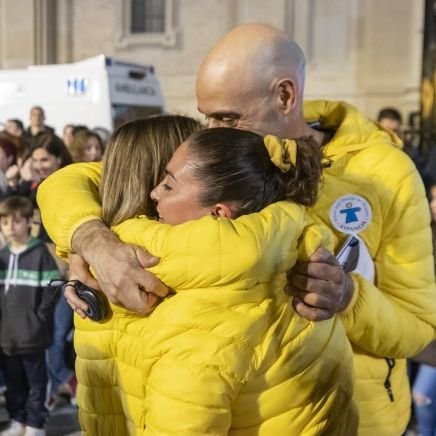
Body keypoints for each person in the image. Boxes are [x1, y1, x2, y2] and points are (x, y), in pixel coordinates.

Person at [36, 23, 436, 436]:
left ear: (284, 95)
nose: (211, 131)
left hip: (350, 419)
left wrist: (349, 297)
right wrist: (93, 242)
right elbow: (75, 182)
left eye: (226, 117)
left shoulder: (385, 174)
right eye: (205, 115)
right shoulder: (212, 147)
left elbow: (421, 330)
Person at [51, 116, 357, 434]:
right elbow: (65, 182)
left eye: (169, 183)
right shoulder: (278, 246)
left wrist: (90, 243)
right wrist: (86, 238)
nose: (213, 124)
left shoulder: (203, 297)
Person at [0, 196, 60, 436]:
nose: (10, 228)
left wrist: (39, 316)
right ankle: (18, 420)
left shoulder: (40, 254)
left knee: (37, 383)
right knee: (14, 383)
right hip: (7, 336)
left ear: (28, 223)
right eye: (4, 223)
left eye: (16, 222)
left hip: (33, 334)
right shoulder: (2, 258)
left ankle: (35, 424)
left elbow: (54, 286)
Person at [412, 180, 436, 436]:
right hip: (426, 339)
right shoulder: (423, 232)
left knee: (423, 394)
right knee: (421, 395)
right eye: (431, 198)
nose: (432, 205)